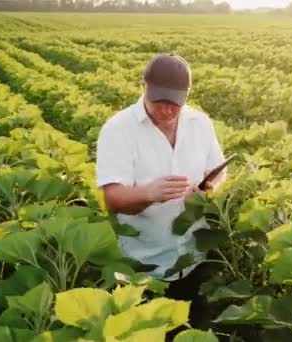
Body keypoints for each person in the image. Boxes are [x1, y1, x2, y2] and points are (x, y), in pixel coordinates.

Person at [95, 53, 226, 331]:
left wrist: (207, 189)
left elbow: (218, 171)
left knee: (194, 333)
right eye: (159, 101)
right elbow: (112, 198)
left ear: (188, 94)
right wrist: (149, 193)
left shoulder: (200, 124)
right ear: (144, 86)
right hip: (143, 267)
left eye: (175, 103)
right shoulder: (118, 130)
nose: (167, 110)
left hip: (193, 259)